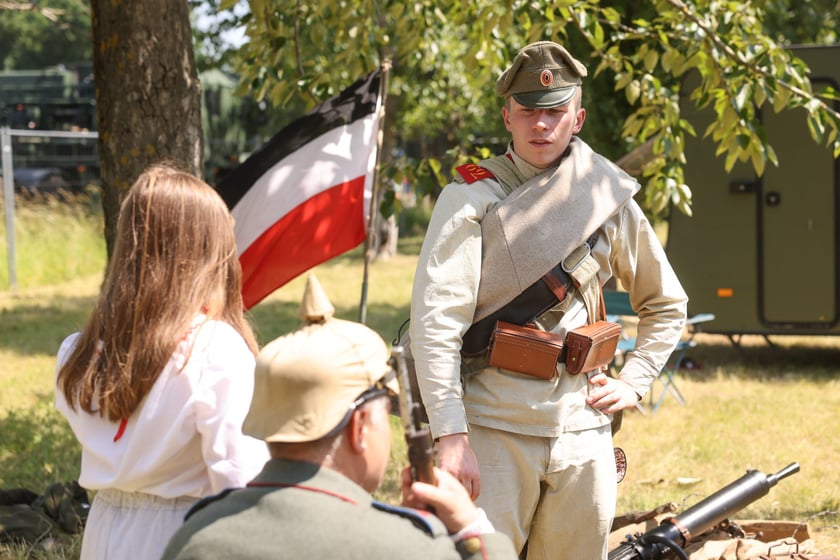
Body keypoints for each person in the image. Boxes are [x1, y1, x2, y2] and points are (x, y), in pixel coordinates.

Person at [409, 40, 689, 560]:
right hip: (493, 430)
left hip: (584, 432)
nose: (542, 125)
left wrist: (636, 380)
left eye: (555, 112)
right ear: (507, 118)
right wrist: (451, 434)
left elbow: (667, 303)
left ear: (577, 118)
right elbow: (436, 324)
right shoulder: (471, 198)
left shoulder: (607, 198)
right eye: (529, 112)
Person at [161, 273, 518, 560]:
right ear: (360, 428)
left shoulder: (197, 537)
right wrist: (471, 529)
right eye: (385, 412)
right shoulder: (406, 547)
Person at [55, 164, 270, 560]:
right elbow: (241, 478)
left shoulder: (79, 352)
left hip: (104, 532)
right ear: (207, 253)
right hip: (183, 534)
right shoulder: (214, 350)